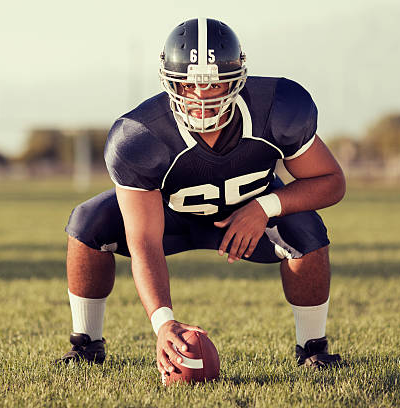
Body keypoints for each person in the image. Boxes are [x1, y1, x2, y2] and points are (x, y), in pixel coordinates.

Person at [57, 18, 345, 376]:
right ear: (169, 81)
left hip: (251, 216)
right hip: (170, 218)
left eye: (214, 84)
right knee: (88, 222)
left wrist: (264, 207)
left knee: (308, 231)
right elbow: (145, 241)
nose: (201, 96)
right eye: (188, 84)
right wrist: (163, 322)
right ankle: (86, 344)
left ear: (237, 77)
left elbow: (331, 181)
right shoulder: (139, 136)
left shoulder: (277, 108)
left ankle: (313, 349)